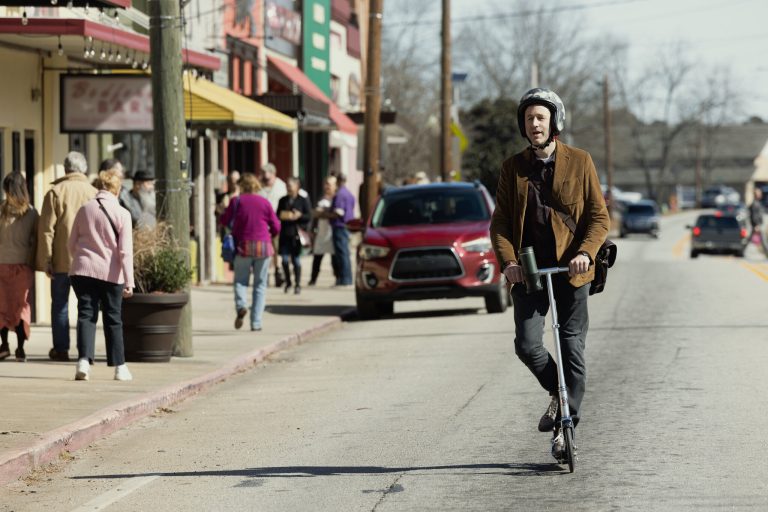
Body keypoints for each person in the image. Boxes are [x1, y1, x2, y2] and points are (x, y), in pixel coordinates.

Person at [489, 88, 609, 463]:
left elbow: (598, 216)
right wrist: (508, 263)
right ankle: (557, 392)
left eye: (540, 117)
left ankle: (566, 425)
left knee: (572, 345)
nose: (534, 124)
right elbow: (501, 223)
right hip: (530, 272)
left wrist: (586, 253)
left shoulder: (580, 161)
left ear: (554, 121)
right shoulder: (513, 167)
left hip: (572, 271)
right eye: (529, 119)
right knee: (527, 345)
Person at [68, 170, 134, 381]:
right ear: (118, 189)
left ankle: (83, 362)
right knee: (113, 318)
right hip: (110, 273)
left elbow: (71, 243)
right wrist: (129, 281)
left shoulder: (84, 209)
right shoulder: (123, 213)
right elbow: (125, 251)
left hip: (82, 270)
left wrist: (81, 258)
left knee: (86, 314)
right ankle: (119, 368)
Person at [36, 151, 97, 362]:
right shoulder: (94, 192)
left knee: (60, 304)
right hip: (88, 261)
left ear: (65, 169)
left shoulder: (55, 192)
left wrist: (46, 260)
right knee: (85, 306)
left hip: (61, 260)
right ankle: (85, 351)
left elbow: (46, 230)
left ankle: (61, 349)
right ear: (84, 170)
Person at [219, 173, 280, 331]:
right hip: (264, 247)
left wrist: (223, 210)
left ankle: (241, 306)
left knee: (240, 280)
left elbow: (224, 220)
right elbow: (276, 226)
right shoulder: (265, 202)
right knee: (260, 285)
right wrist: (269, 234)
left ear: (242, 186)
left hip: (243, 246)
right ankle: (256, 323)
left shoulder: (236, 201)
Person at [0, 173, 38, 362]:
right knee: (21, 307)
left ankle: (4, 345)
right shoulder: (31, 213)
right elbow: (35, 239)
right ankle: (20, 349)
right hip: (23, 266)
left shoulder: (1, 211)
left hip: (1, 264)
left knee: (2, 307)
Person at [276, 177, 312, 294]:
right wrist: (285, 215)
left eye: (291, 186)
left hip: (296, 235)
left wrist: (299, 215)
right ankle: (288, 282)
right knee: (284, 260)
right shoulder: (283, 200)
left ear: (297, 187)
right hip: (285, 233)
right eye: (287, 186)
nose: (289, 188)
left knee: (296, 260)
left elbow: (309, 216)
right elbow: (277, 214)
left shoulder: (303, 200)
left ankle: (297, 284)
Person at [258, 162, 288, 288]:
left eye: (268, 176)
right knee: (265, 251)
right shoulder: (259, 186)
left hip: (276, 223)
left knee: (276, 250)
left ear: (273, 174)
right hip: (262, 224)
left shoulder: (281, 186)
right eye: (263, 175)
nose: (265, 178)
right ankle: (266, 275)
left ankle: (278, 272)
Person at [308, 175, 337, 286]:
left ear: (335, 186)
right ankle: (313, 279)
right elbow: (315, 214)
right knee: (317, 258)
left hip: (332, 233)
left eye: (329, 184)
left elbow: (334, 214)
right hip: (321, 232)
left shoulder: (336, 199)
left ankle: (337, 278)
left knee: (335, 259)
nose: (327, 187)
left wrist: (323, 213)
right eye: (326, 184)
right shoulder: (321, 199)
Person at [329, 173, 356, 287]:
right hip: (347, 225)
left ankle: (345, 278)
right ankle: (347, 278)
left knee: (342, 253)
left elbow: (339, 211)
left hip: (340, 226)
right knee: (345, 252)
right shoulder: (349, 194)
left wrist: (326, 213)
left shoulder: (340, 194)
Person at [748, 187, 768, 255]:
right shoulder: (754, 204)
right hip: (757, 225)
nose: (760, 195)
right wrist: (756, 225)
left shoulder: (758, 203)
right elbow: (754, 216)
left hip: (758, 224)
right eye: (759, 193)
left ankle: (742, 250)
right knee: (763, 240)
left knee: (751, 239)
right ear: (755, 195)